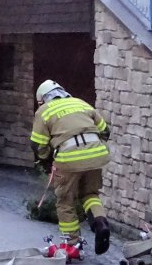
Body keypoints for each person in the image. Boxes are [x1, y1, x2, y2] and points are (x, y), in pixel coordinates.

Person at [30, 79, 112, 255]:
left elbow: (37, 144)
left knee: (65, 200)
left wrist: (45, 159)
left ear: (42, 100)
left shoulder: (44, 111)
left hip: (68, 159)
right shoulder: (81, 103)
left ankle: (72, 244)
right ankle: (101, 223)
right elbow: (105, 130)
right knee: (90, 194)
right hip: (96, 155)